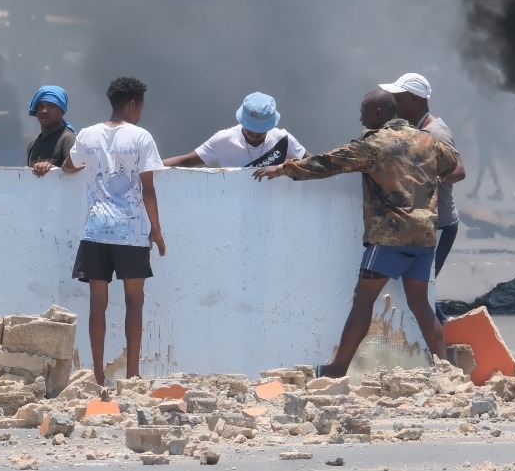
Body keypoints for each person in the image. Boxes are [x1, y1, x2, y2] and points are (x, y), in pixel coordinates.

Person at [253, 89, 464, 378]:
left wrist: (283, 168)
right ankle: (446, 371)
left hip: (389, 238)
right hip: (425, 236)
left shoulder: (374, 145)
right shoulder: (427, 140)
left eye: (363, 112)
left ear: (378, 114)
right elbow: (454, 167)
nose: (360, 117)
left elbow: (326, 163)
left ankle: (337, 368)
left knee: (362, 301)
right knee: (421, 305)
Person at [62, 77, 165, 383]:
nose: (141, 112)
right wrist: (156, 230)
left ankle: (97, 376)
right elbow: (148, 188)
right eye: (141, 106)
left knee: (98, 303)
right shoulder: (142, 137)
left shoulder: (88, 134)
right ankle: (132, 376)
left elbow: (70, 165)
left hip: (95, 230)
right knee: (134, 302)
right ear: (133, 104)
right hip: (131, 231)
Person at [379, 72, 465, 308]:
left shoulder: (435, 132)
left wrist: (426, 178)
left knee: (420, 289)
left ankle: (442, 338)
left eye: (399, 97)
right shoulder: (413, 128)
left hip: (440, 224)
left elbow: (459, 171)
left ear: (415, 100)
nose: (394, 103)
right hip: (423, 223)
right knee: (417, 289)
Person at [162, 92, 308, 168]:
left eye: (260, 129)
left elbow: (315, 163)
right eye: (250, 127)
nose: (254, 133)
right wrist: (147, 168)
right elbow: (186, 160)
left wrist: (280, 170)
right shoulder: (223, 140)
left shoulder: (283, 139)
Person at [27, 85, 76, 177]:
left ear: (62, 110)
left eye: (51, 106)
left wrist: (52, 169)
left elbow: (74, 174)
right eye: (40, 106)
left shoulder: (68, 140)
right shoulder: (32, 144)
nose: (44, 110)